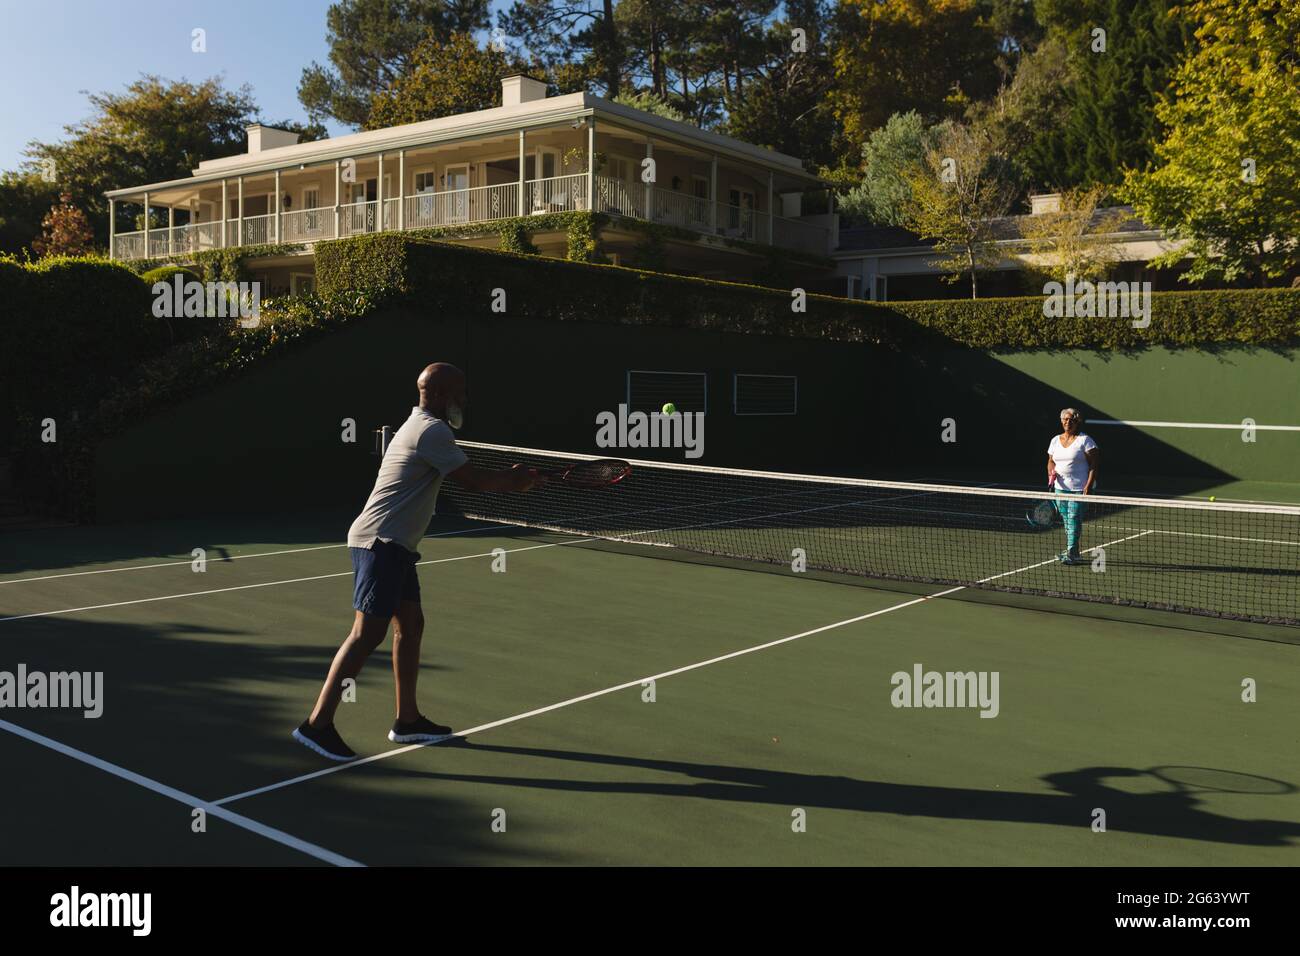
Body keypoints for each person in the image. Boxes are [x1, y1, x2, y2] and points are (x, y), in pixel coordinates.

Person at [293, 362, 539, 761]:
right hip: (380, 543)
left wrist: (513, 478)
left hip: (397, 546)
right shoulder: (431, 430)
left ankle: (407, 721)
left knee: (410, 625)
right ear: (440, 394)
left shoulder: (418, 424)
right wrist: (515, 482)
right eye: (460, 392)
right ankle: (317, 725)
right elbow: (473, 481)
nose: (464, 400)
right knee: (366, 634)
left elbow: (476, 475)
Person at [1047, 407, 1099, 565]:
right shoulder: (1055, 440)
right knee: (1066, 519)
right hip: (1059, 488)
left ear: (1077, 422)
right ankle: (1073, 551)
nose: (1068, 422)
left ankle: (1072, 552)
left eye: (1071, 420)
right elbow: (1050, 461)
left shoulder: (1085, 440)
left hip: (1079, 488)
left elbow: (1095, 464)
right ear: (1061, 421)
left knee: (1074, 518)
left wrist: (1089, 485)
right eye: (1065, 419)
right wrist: (1051, 473)